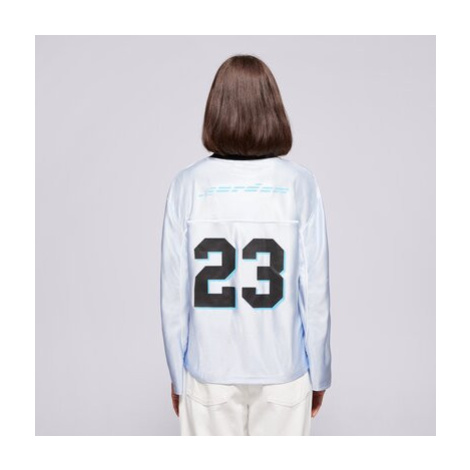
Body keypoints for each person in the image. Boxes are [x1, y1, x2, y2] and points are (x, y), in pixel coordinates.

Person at [160, 54, 332, 436]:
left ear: (215, 110)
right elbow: (315, 291)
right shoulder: (299, 184)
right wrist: (320, 372)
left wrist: (177, 375)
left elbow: (173, 295)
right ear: (273, 109)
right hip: (284, 371)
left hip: (208, 372)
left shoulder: (187, 184)